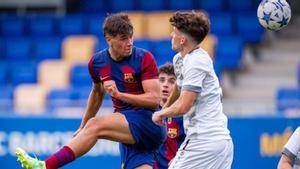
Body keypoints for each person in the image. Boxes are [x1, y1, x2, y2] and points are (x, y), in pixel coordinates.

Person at [16, 13, 166, 169]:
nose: (129, 43)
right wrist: (83, 126)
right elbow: (97, 93)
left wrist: (120, 95)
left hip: (149, 122)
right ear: (109, 39)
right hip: (128, 132)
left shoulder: (144, 57)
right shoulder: (97, 63)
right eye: (123, 39)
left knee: (96, 124)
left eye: (130, 37)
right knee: (92, 125)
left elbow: (154, 100)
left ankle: (45, 166)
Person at [152, 11, 234, 169]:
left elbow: (184, 106)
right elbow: (178, 86)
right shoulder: (180, 59)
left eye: (174, 31)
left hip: (203, 142)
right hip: (217, 142)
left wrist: (160, 113)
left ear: (182, 40)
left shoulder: (197, 61)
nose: (171, 34)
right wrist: (167, 106)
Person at [154, 63, 185, 169]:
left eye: (172, 81)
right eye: (161, 80)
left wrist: (183, 159)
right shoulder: (147, 112)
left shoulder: (184, 114)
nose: (165, 85)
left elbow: (197, 143)